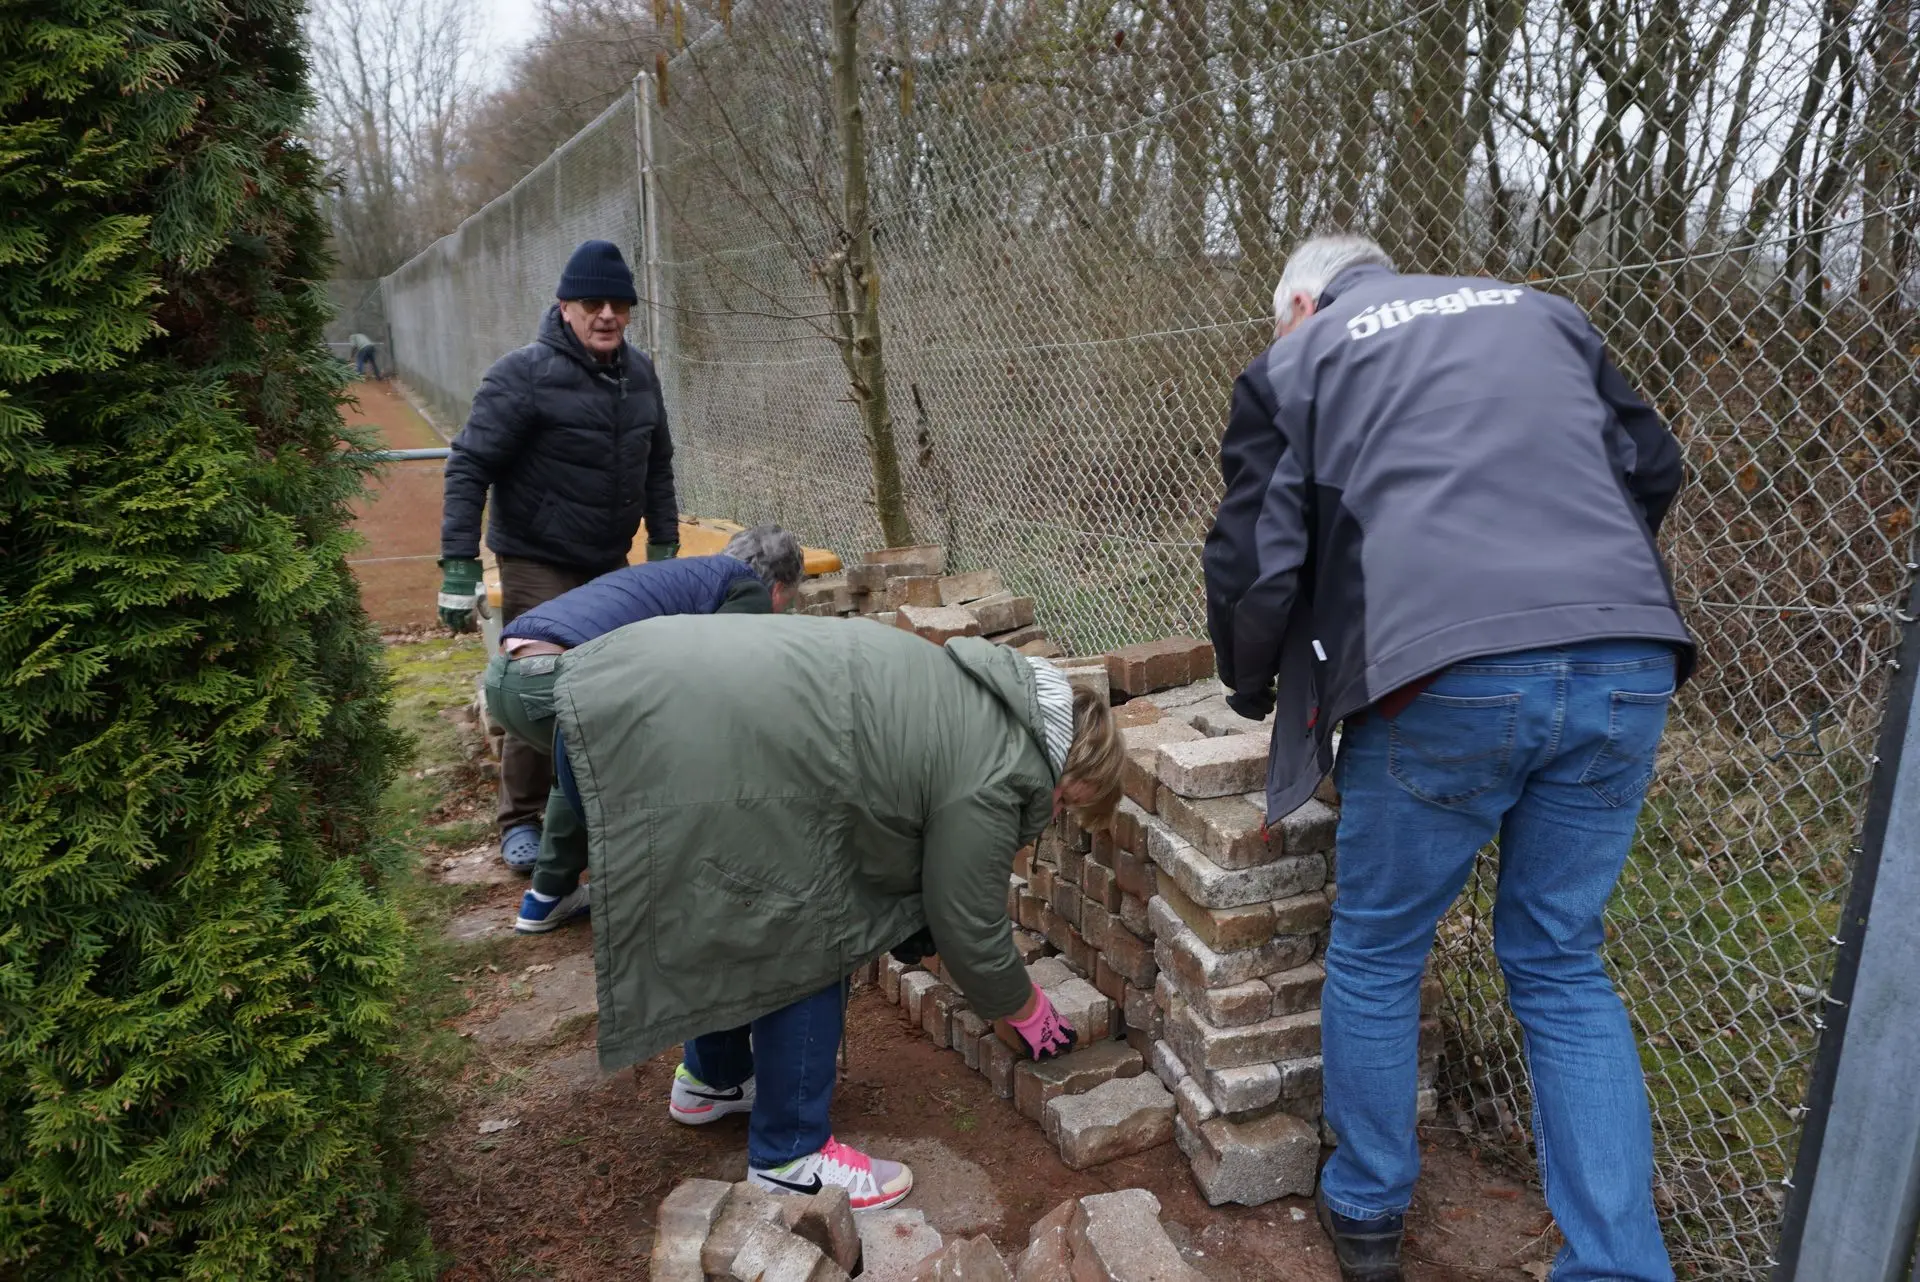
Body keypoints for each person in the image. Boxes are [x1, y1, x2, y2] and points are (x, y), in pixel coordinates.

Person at [1203, 234, 1694, 1282]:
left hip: (1445, 674)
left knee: (1380, 947)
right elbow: (1652, 468)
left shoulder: (1301, 359)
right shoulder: (1541, 312)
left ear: (1300, 305)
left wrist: (1250, 682)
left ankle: (1368, 1204)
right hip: (1627, 656)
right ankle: (1618, 1266)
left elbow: (1255, 559)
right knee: (1561, 962)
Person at [548, 615, 1125, 1209]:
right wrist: (1024, 1009)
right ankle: (790, 1156)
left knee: (739, 910)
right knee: (813, 929)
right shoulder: (1004, 765)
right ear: (1067, 761)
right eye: (1065, 800)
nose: (1054, 814)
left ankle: (714, 1078)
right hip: (664, 745)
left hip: (618, 708)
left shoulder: (978, 696)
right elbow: (968, 921)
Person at [435, 238, 680, 874]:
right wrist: (458, 565)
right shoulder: (524, 374)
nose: (607, 315)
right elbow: (469, 464)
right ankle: (521, 818)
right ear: (564, 306)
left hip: (607, 557)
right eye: (592, 304)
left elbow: (658, 464)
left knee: (616, 684)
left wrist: (664, 545)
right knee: (539, 684)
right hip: (537, 557)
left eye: (619, 305)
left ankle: (602, 810)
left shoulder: (640, 374)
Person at [480, 525, 806, 932]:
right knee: (668, 769)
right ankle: (675, 903)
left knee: (581, 770)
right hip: (556, 680)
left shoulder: (689, 576)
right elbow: (725, 684)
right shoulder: (749, 591)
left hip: (507, 680)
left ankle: (547, 898)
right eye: (788, 602)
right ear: (779, 587)